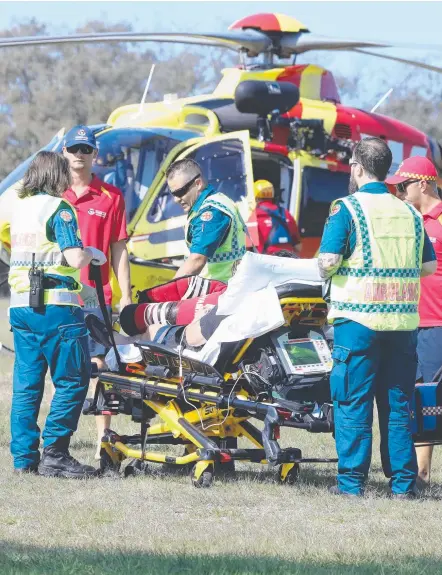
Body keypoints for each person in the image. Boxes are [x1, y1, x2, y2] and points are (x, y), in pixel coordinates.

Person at [318, 137, 437, 499]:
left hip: (358, 324)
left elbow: (327, 262)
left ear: (356, 168)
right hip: (402, 328)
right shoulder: (411, 214)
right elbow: (429, 267)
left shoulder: (347, 209)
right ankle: (403, 485)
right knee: (398, 406)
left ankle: (351, 485)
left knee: (353, 403)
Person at [8, 151, 107, 477]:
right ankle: (56, 454)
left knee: (27, 385)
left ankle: (24, 460)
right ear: (57, 176)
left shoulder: (18, 208)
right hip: (56, 306)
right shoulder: (59, 209)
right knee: (72, 380)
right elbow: (75, 258)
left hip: (21, 306)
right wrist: (94, 253)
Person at [62, 125, 132, 460]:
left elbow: (119, 250)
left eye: (85, 149)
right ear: (64, 152)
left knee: (102, 366)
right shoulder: (52, 194)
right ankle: (60, 441)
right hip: (57, 296)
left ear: (94, 154)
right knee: (64, 369)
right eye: (74, 148)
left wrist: (127, 297)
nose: (79, 154)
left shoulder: (111, 196)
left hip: (95, 296)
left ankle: (104, 442)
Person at [386, 156, 442, 486]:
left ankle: (421, 474)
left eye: (403, 185)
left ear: (422, 183)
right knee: (418, 399)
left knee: (429, 397)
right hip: (411, 322)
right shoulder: (410, 220)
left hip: (437, 324)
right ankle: (418, 473)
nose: (400, 191)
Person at [166, 158, 246, 282]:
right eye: (174, 194)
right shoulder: (217, 200)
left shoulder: (211, 212)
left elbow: (197, 259)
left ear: (198, 183)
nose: (176, 199)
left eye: (181, 192)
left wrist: (168, 291)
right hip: (226, 287)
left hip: (221, 291)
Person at [252, 180, 302, 255]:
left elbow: (247, 246)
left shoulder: (255, 215)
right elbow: (298, 246)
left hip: (267, 260)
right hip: (288, 259)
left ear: (254, 196)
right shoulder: (285, 213)